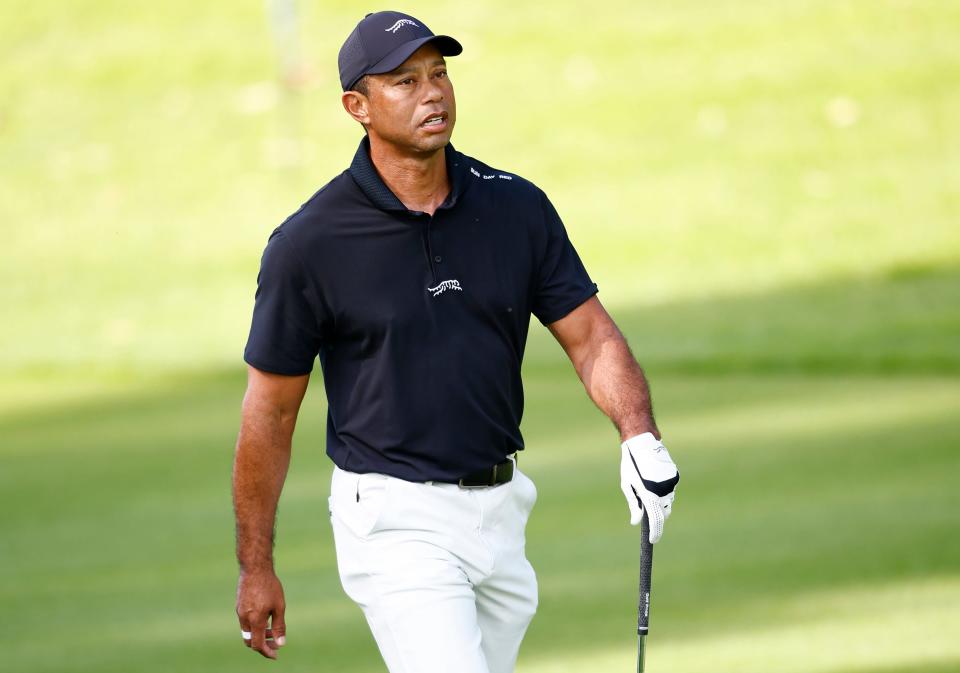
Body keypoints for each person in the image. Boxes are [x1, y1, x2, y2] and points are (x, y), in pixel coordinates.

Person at [232, 10, 680, 672]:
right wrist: (256, 565)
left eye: (439, 74)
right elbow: (269, 413)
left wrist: (638, 432)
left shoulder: (514, 208)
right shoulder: (309, 245)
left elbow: (591, 338)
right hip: (393, 518)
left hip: (501, 512)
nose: (433, 93)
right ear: (357, 106)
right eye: (405, 82)